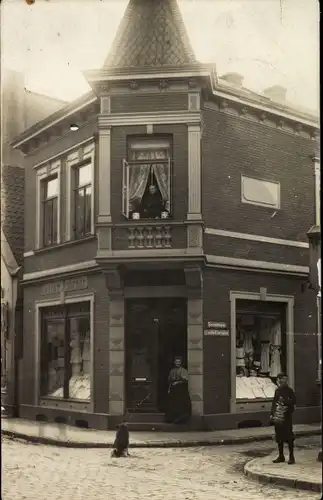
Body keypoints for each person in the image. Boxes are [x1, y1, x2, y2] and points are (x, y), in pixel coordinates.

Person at [270, 373, 296, 464]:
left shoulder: (290, 391)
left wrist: (285, 401)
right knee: (279, 436)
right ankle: (281, 456)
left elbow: (293, 402)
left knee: (289, 437)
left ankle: (291, 456)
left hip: (287, 417)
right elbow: (274, 402)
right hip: (278, 416)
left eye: (284, 379)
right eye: (281, 379)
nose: (283, 381)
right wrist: (272, 413)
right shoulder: (277, 390)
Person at [165, 356, 191, 424]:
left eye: (179, 362)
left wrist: (178, 382)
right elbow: (170, 381)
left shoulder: (183, 370)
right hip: (174, 390)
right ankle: (172, 418)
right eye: (176, 362)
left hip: (181, 389)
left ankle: (181, 419)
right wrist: (169, 389)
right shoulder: (172, 371)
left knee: (180, 404)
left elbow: (185, 380)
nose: (177, 363)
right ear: (174, 362)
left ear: (181, 363)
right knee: (172, 404)